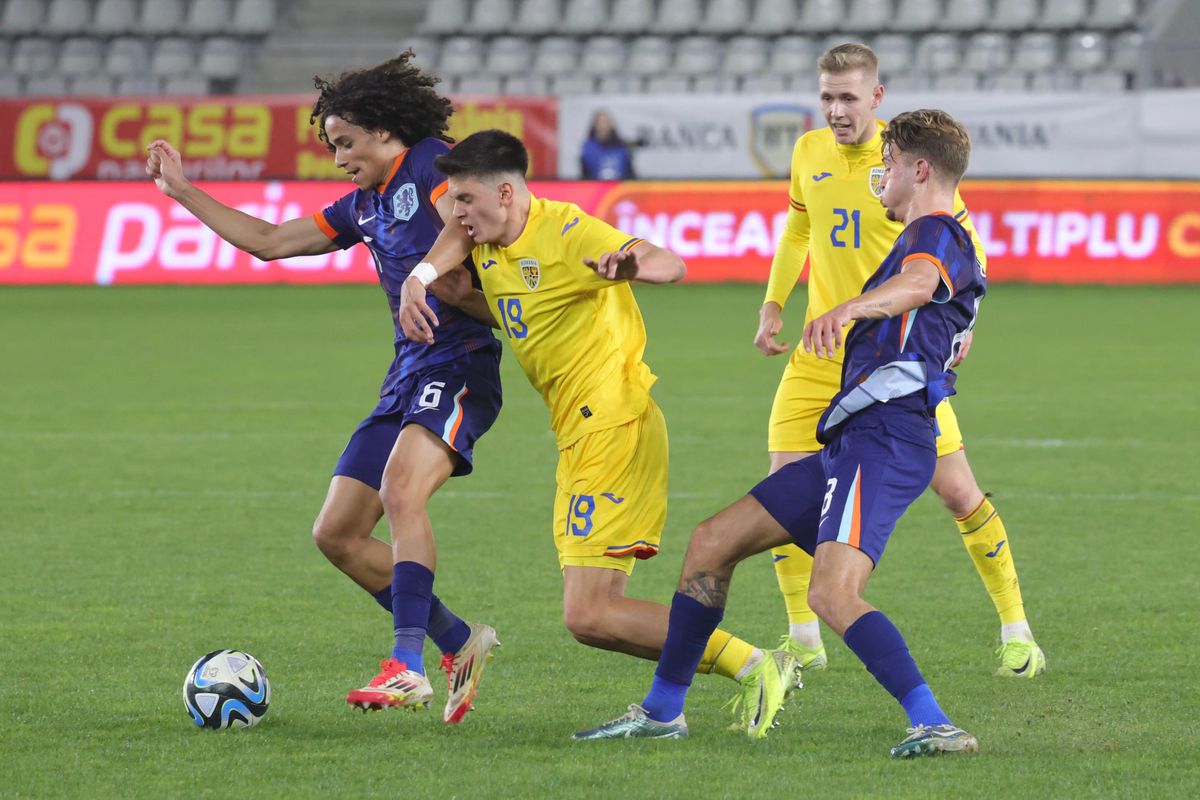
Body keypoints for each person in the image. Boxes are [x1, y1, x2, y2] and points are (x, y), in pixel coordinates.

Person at [577, 109, 985, 757]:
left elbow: (918, 286)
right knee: (712, 542)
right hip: (855, 442)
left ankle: (934, 723)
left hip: (886, 439)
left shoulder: (933, 231)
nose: (879, 173)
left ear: (921, 169)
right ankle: (662, 712)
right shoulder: (938, 237)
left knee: (831, 591)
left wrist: (852, 305)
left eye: (889, 160)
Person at [397, 129, 800, 739]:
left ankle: (756, 666)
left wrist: (630, 264)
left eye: (466, 201)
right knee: (599, 610)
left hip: (612, 428)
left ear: (506, 193)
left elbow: (673, 263)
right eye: (452, 201)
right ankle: (682, 704)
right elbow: (470, 248)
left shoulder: (567, 232)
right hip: (581, 432)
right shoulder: (483, 228)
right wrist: (423, 275)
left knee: (588, 614)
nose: (456, 215)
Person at [145, 53, 504, 724]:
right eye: (331, 145)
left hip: (459, 366)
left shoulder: (431, 162)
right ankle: (460, 643)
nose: (338, 157)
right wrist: (182, 192)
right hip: (404, 379)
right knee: (337, 534)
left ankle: (407, 667)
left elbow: (474, 221)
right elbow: (272, 240)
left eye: (345, 142)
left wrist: (451, 283)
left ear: (383, 128)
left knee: (400, 490)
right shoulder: (365, 205)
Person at [754, 43, 1044, 678]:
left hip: (894, 366)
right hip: (818, 351)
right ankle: (803, 637)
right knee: (783, 495)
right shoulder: (806, 153)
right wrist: (775, 303)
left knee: (960, 492)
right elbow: (798, 230)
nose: (835, 110)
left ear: (876, 97)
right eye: (827, 97)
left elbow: (964, 243)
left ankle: (1016, 628)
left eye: (848, 98)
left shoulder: (909, 162)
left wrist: (967, 321)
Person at [580, 110, 637, 180]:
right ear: (595, 125)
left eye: (605, 122)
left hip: (619, 188)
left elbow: (630, 174)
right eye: (600, 122)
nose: (603, 126)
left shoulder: (621, 147)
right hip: (596, 188)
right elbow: (584, 175)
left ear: (611, 125)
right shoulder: (588, 148)